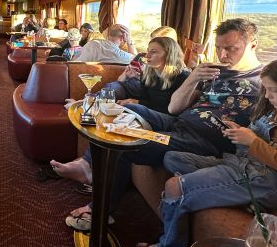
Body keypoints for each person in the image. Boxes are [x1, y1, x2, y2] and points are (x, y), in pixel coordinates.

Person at [65, 18, 264, 230]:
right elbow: (174, 108)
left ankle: (100, 210)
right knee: (127, 109)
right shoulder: (214, 72)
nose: (223, 55)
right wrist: (194, 77)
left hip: (204, 141)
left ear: (253, 45)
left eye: (231, 48)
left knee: (124, 142)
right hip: (179, 122)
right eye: (218, 48)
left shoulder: (264, 81)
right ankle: (87, 165)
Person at [137, 57, 277, 247]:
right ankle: (211, 195)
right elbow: (264, 143)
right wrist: (239, 133)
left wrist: (253, 142)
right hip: (241, 164)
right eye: (266, 89)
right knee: (173, 157)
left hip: (264, 181)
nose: (267, 95)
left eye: (273, 90)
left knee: (174, 186)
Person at [51, 37, 189, 195]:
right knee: (114, 115)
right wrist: (137, 101)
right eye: (148, 51)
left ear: (169, 54)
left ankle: (86, 165)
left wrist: (135, 103)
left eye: (153, 52)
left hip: (169, 120)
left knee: (127, 108)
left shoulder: (183, 77)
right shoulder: (150, 74)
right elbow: (147, 99)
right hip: (149, 113)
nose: (147, 56)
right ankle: (86, 164)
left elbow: (174, 109)